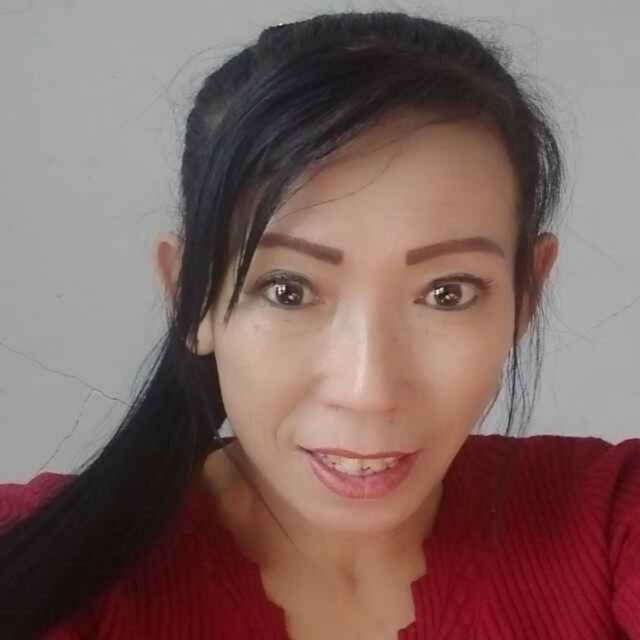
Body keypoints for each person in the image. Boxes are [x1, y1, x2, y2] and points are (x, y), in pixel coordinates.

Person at [1, 9, 638, 640]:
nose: (368, 391)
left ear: (526, 294)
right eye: (289, 291)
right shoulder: (30, 567)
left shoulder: (612, 520)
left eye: (447, 293)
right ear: (189, 296)